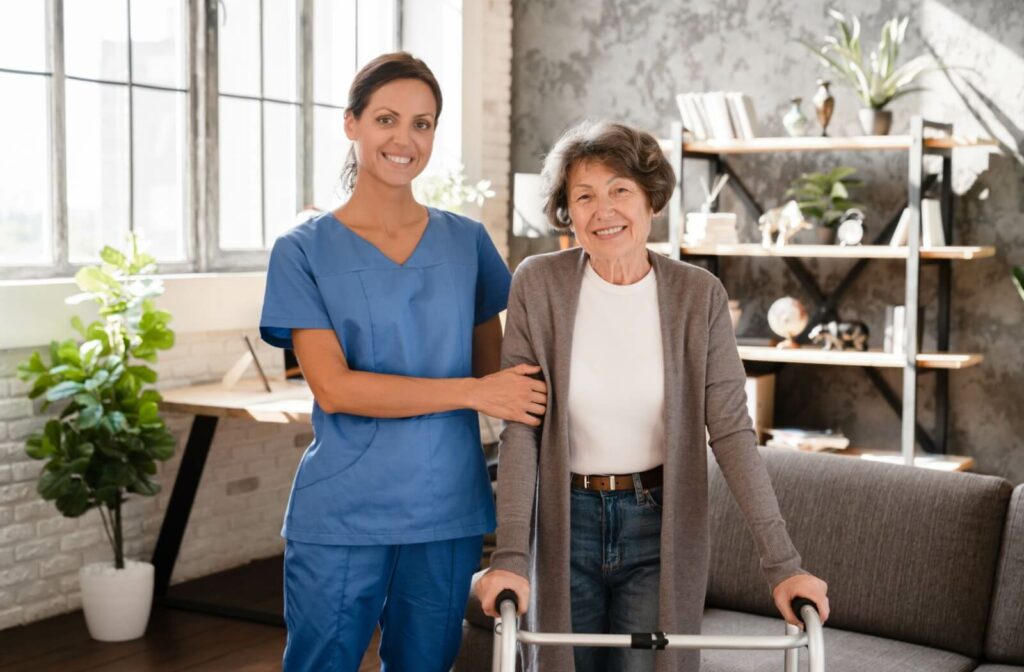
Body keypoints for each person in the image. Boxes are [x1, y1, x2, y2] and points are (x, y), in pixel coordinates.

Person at [473, 120, 829, 672]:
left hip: (656, 525)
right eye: (584, 196)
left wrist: (783, 565)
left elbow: (732, 433)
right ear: (568, 212)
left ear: (651, 200)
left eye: (620, 191)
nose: (603, 210)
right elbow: (521, 428)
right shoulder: (538, 284)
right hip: (565, 522)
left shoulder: (698, 295)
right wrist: (512, 555)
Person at [259, 52, 547, 672]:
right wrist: (471, 393)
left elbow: (503, 381)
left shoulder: (466, 242)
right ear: (351, 124)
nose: (404, 139)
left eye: (423, 124)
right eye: (387, 119)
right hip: (341, 508)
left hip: (446, 509)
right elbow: (334, 389)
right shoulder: (301, 251)